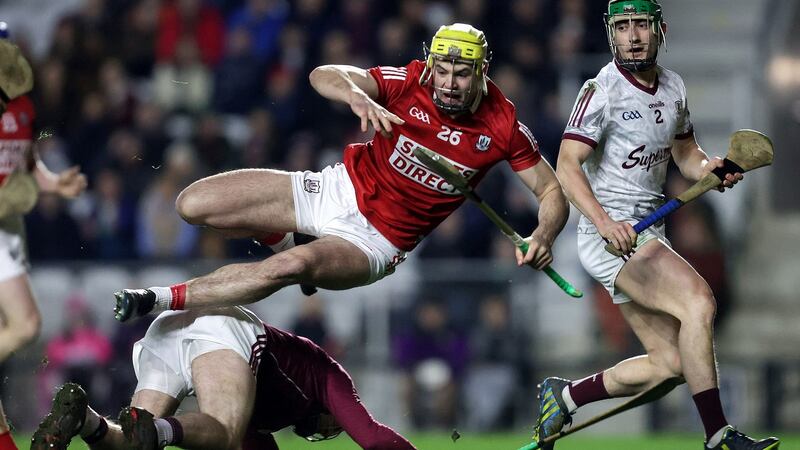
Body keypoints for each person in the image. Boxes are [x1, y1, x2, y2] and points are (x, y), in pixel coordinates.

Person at [112, 23, 569, 322]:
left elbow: (551, 192)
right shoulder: (410, 81)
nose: (448, 83)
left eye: (461, 74)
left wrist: (543, 236)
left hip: (376, 242)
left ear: (482, 72)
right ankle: (289, 235)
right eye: (443, 69)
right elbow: (322, 73)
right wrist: (356, 95)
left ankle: (155, 299)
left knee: (289, 267)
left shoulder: (502, 126)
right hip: (333, 188)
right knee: (192, 205)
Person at [528, 2, 780, 450]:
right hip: (610, 237)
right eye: (622, 27)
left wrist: (709, 168)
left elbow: (685, 153)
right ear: (611, 35)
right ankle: (719, 436)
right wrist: (604, 222)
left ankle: (564, 397)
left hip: (649, 232)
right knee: (699, 302)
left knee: (670, 364)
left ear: (659, 30)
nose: (633, 36)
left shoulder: (674, 87)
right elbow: (568, 166)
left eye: (640, 25)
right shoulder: (601, 90)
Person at [32, 306, 417, 450]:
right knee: (221, 431)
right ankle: (160, 430)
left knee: (132, 443)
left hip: (167, 332)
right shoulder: (329, 377)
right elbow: (374, 437)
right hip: (222, 326)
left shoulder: (263, 423)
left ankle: (86, 420)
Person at [0, 31, 87, 450]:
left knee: (24, 327)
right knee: (24, 325)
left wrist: (54, 184)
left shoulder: (21, 105)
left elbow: (25, 160)